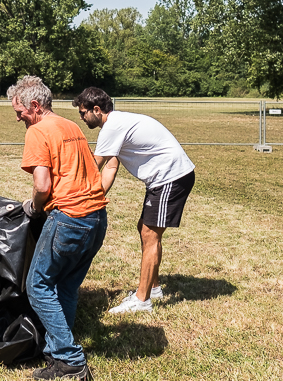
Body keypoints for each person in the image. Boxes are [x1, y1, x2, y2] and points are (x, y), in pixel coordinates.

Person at [10, 75, 107, 381]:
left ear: (35, 106)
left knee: (38, 286)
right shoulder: (71, 126)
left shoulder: (38, 131)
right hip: (96, 217)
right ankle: (57, 354)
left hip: (69, 217)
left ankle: (70, 359)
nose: (18, 118)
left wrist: (35, 207)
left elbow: (42, 185)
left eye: (20, 112)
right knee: (64, 285)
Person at [74, 86, 196, 314]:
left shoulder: (112, 127)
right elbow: (111, 166)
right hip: (164, 177)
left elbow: (93, 166)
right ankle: (154, 287)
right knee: (145, 229)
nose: (82, 118)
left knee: (150, 234)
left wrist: (75, 195)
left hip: (171, 176)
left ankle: (142, 300)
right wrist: (95, 198)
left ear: (97, 109)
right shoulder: (116, 123)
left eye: (83, 113)